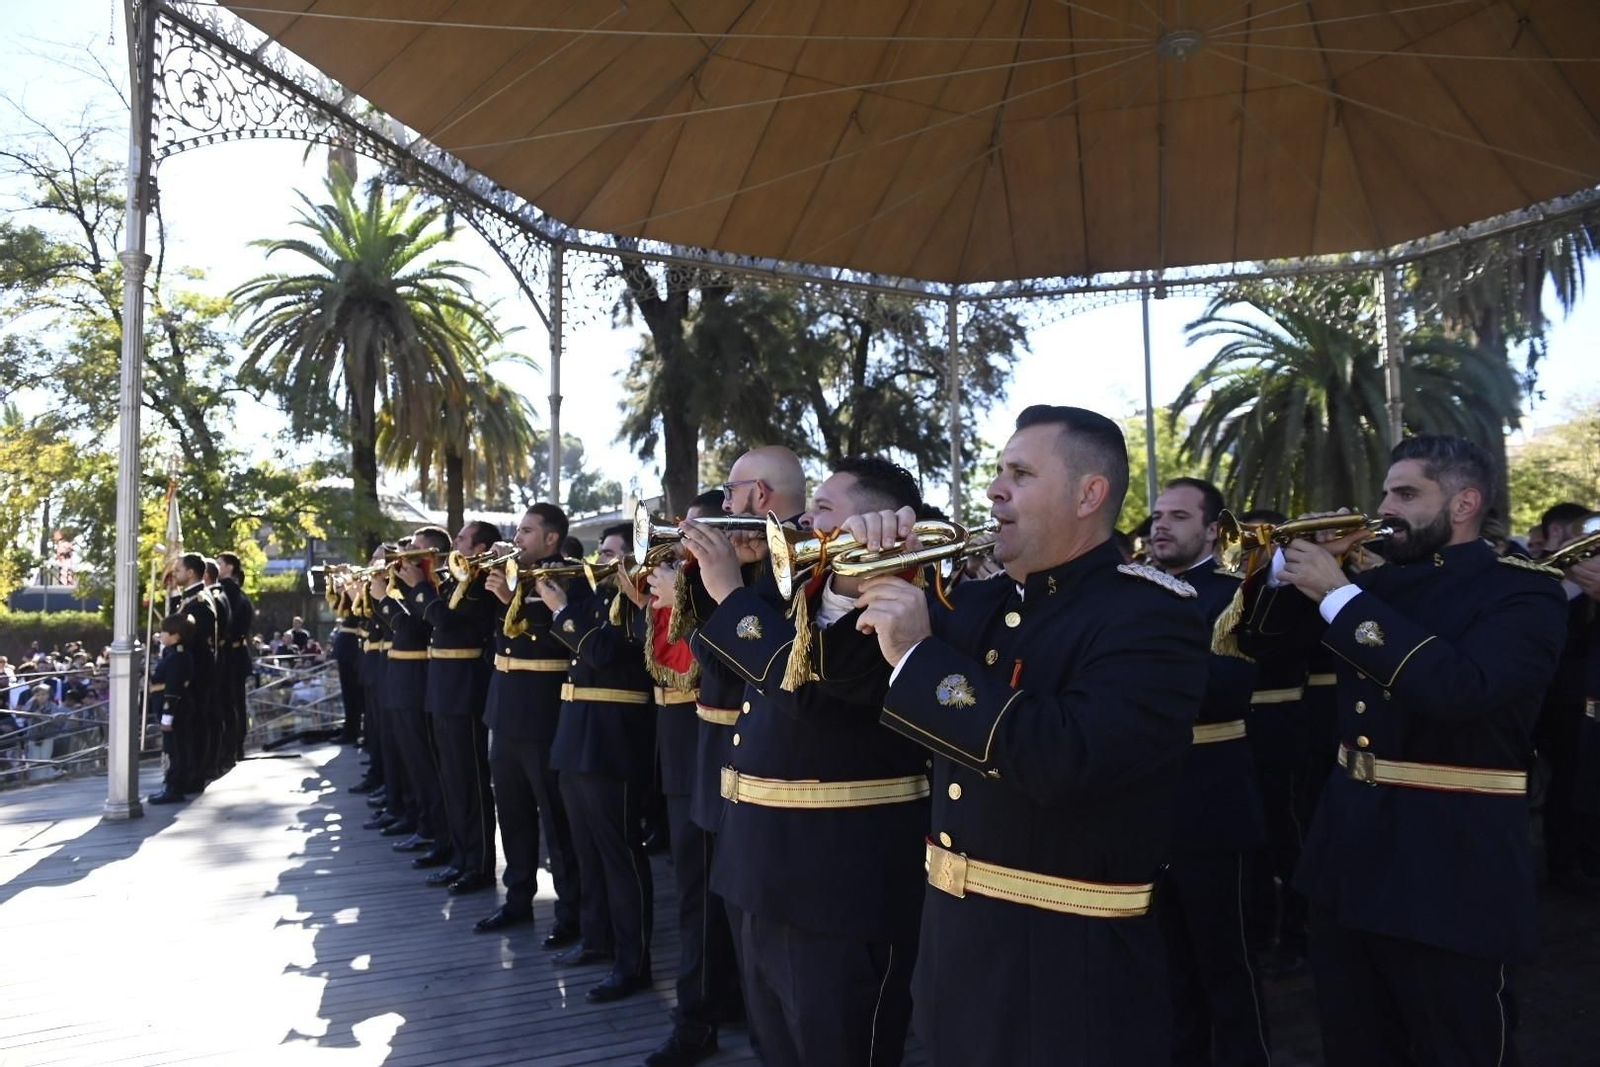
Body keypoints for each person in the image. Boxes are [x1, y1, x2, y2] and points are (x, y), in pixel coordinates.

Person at [847, 405, 1210, 1066]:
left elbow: (1070, 758)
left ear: (1088, 494)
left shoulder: (1151, 612)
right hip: (955, 952)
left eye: (1019, 472)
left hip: (1068, 968)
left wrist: (920, 657)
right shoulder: (978, 603)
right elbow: (844, 692)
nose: (993, 489)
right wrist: (862, 581)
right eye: (997, 471)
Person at [1234, 435, 1568, 1067]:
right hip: (1349, 855)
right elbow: (1262, 644)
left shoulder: (1522, 594)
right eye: (1386, 491)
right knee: (1356, 1043)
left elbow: (1459, 690)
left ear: (1465, 503)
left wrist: (1340, 595)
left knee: (1459, 1043)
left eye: (1407, 494)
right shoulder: (1379, 588)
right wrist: (1285, 572)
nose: (1384, 508)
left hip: (1451, 864)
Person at [682, 454, 931, 1067]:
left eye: (822, 509)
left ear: (876, 523)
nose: (802, 520)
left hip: (837, 883)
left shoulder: (905, 597)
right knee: (778, 1049)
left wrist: (729, 592)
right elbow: (725, 669)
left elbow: (809, 699)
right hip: (758, 865)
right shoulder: (802, 585)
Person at [1146, 478, 1271, 1066]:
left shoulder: (1234, 592)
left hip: (1210, 797)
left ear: (1213, 529)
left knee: (1226, 961)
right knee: (1165, 965)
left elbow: (1231, 690)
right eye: (1156, 515)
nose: (1160, 525)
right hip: (1143, 799)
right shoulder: (1131, 591)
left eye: (1177, 515)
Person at [638, 489, 746, 1067]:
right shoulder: (692, 581)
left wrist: (695, 598)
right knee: (697, 898)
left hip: (745, 753)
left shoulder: (751, 580)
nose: (686, 545)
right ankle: (698, 1016)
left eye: (698, 534)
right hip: (694, 750)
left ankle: (726, 1006)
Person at [543, 523, 657, 1003]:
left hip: (613, 742)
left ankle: (633, 963)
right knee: (587, 850)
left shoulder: (644, 603)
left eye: (613, 553)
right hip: (576, 736)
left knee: (620, 855)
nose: (602, 560)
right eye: (602, 552)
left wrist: (563, 611)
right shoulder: (594, 599)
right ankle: (597, 939)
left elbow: (607, 656)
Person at [474, 504, 585, 947]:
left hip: (542, 715)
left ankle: (569, 911)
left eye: (526, 530)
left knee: (555, 823)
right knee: (513, 815)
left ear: (551, 538)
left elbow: (553, 629)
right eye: (517, 530)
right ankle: (517, 898)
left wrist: (511, 597)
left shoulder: (566, 575)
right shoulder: (515, 572)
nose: (517, 538)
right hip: (504, 711)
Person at [394, 521, 500, 895]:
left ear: (480, 546)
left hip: (464, 691)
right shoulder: (457, 577)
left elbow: (446, 621)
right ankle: (460, 856)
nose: (454, 543)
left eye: (461, 539)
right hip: (442, 689)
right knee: (452, 781)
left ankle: (480, 863)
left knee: (470, 782)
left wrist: (419, 588)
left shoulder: (481, 579)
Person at [147, 614, 196, 805]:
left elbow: (173, 689)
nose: (161, 635)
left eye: (164, 632)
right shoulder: (174, 653)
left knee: (175, 749)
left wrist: (167, 716)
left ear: (175, 636)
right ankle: (172, 784)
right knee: (174, 748)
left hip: (175, 709)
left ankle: (174, 787)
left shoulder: (177, 657)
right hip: (173, 706)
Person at [216, 551, 254, 763]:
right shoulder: (233, 592)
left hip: (232, 656)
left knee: (232, 703)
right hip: (235, 655)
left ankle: (233, 745)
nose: (216, 565)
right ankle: (235, 745)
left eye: (219, 563)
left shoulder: (230, 593)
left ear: (229, 568)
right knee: (234, 702)